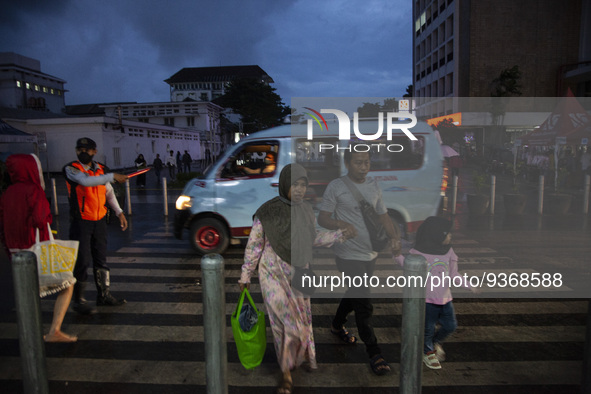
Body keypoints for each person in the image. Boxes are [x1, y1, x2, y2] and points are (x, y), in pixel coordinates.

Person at [239, 164, 347, 394]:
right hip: (272, 273)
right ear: (285, 184)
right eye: (295, 184)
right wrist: (246, 273)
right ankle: (286, 374)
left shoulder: (306, 210)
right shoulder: (267, 211)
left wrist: (339, 235)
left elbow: (313, 238)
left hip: (300, 273)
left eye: (303, 185)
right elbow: (255, 245)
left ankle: (296, 358)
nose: (299, 190)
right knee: (285, 323)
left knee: (301, 321)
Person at [317, 148, 400, 376]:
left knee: (355, 294)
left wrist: (394, 236)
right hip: (347, 255)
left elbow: (382, 215)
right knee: (364, 305)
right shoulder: (336, 186)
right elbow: (322, 218)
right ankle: (375, 353)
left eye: (366, 162)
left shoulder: (373, 185)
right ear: (347, 163)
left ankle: (336, 325)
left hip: (370, 254)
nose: (363, 167)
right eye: (358, 163)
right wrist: (340, 224)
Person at [0, 154, 77, 342]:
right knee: (67, 284)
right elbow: (41, 219)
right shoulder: (33, 190)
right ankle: (54, 330)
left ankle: (30, 333)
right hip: (38, 249)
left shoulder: (7, 193)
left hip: (16, 252)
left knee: (27, 292)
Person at [396, 216, 478, 370]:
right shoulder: (418, 252)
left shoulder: (449, 252)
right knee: (428, 329)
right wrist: (396, 255)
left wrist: (468, 286)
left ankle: (434, 342)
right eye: (447, 233)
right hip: (427, 301)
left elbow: (454, 274)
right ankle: (428, 352)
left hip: (445, 299)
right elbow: (407, 264)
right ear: (436, 234)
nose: (450, 236)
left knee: (450, 326)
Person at [63, 137, 129, 315]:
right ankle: (79, 300)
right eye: (79, 149)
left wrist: (119, 212)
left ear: (94, 151)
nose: (82, 152)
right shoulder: (71, 169)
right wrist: (112, 176)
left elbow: (108, 191)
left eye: (86, 150)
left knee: (101, 259)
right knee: (82, 260)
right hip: (81, 222)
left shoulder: (101, 169)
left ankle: (104, 295)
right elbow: (85, 182)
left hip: (99, 220)